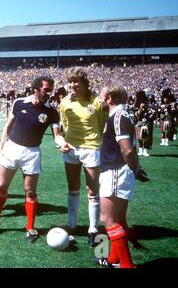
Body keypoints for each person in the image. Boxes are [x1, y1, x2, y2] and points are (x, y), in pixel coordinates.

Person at [0, 76, 69, 242]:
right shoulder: (19, 102)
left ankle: (30, 227)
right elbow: (8, 127)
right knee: (1, 187)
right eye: (46, 90)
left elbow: (57, 135)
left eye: (50, 91)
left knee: (30, 191)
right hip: (12, 149)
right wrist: (2, 147)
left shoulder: (52, 112)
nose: (49, 94)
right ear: (36, 89)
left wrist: (63, 143)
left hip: (31, 154)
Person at [95, 83, 149, 268]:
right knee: (118, 219)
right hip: (116, 170)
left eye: (101, 95)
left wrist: (134, 169)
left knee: (107, 219)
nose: (98, 98)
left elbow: (126, 149)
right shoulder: (119, 115)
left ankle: (127, 265)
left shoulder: (118, 116)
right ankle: (113, 259)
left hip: (115, 171)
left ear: (110, 98)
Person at [59, 67, 106, 247]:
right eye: (70, 82)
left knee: (92, 190)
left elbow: (102, 124)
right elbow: (65, 125)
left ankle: (93, 229)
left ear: (84, 83)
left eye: (76, 81)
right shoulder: (64, 102)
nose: (72, 85)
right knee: (73, 187)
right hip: (71, 149)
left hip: (91, 148)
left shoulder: (97, 102)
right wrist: (64, 142)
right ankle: (72, 224)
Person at [134, 91, 155, 157]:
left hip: (146, 123)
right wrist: (140, 108)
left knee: (146, 137)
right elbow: (136, 116)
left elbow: (151, 114)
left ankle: (145, 151)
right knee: (139, 138)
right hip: (139, 123)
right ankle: (140, 151)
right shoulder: (137, 107)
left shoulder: (148, 107)